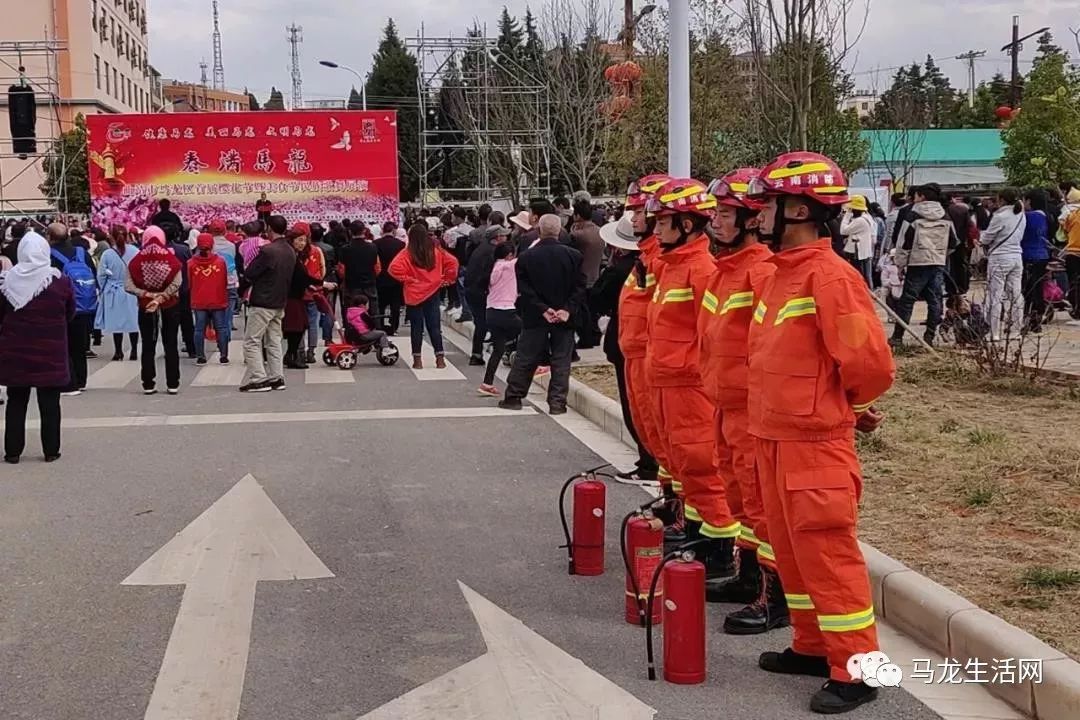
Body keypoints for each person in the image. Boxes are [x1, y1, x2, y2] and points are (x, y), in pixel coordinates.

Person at [744, 151, 895, 714]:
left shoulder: (831, 278)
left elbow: (871, 366)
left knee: (828, 554)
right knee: (793, 554)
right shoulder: (784, 276)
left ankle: (859, 669)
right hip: (775, 438)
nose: (759, 215)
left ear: (801, 209)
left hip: (814, 444)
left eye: (770, 206)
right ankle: (813, 646)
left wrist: (838, 406)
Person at [697, 168, 786, 633]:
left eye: (726, 214)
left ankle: (775, 598)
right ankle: (748, 577)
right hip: (726, 407)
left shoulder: (761, 273)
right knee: (740, 501)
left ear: (753, 220)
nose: (715, 221)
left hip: (753, 412)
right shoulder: (725, 273)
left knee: (762, 506)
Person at [641, 178, 741, 583]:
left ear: (687, 225)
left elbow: (712, 335)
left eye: (664, 221)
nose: (656, 229)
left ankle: (719, 550)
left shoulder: (700, 270)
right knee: (685, 464)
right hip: (668, 384)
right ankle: (700, 533)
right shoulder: (672, 268)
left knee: (702, 465)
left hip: (690, 388)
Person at [593, 210, 659, 483]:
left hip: (633, 349)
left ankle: (648, 463)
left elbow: (597, 298)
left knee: (638, 410)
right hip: (631, 346)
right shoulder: (639, 266)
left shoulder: (630, 268)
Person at [499, 214, 585, 414]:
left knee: (526, 356)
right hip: (564, 316)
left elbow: (524, 288)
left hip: (535, 315)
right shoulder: (574, 256)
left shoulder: (527, 257)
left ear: (539, 230)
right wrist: (566, 309)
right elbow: (580, 287)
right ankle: (557, 403)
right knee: (561, 359)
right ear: (559, 231)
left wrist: (543, 308)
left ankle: (514, 397)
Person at [0, 230, 73, 463]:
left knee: (16, 401)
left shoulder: (7, 281)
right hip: (50, 352)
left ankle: (13, 451)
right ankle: (51, 450)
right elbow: (70, 311)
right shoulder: (58, 281)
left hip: (15, 353)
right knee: (50, 402)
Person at [891, 183, 958, 347]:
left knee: (907, 300)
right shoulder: (945, 216)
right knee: (935, 300)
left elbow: (903, 242)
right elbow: (953, 242)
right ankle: (929, 336)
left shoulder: (913, 215)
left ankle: (898, 337)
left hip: (917, 263)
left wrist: (900, 264)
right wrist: (941, 254)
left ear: (921, 197)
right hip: (937, 263)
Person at [388, 222, 459, 369]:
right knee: (434, 327)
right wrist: (447, 279)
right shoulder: (436, 251)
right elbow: (453, 262)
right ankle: (440, 359)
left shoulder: (407, 253)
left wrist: (409, 279)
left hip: (414, 294)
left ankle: (417, 360)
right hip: (433, 291)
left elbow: (393, 268)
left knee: (416, 328)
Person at [125, 226, 183, 395]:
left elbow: (128, 285)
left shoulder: (136, 261)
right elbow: (177, 283)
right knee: (170, 343)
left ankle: (148, 383)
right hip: (169, 305)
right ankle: (173, 383)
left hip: (145, 306)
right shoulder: (171, 260)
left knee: (148, 345)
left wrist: (148, 294)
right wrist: (161, 297)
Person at [240, 216, 294, 391]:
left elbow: (250, 272)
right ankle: (277, 377)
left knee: (252, 341)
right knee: (274, 341)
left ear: (270, 229)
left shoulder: (268, 251)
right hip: (280, 301)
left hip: (263, 300)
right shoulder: (290, 250)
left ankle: (258, 378)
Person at [47, 222, 97, 396]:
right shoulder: (82, 253)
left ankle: (70, 382)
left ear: (50, 237)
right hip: (84, 304)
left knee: (65, 344)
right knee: (80, 344)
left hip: (62, 306)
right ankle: (82, 380)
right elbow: (93, 274)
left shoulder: (50, 255)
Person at [980, 189, 1026, 341]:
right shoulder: (1020, 214)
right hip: (1017, 256)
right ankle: (1016, 330)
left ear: (1002, 200)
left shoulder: (999, 216)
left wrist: (980, 237)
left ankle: (994, 332)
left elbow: (987, 238)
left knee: (996, 295)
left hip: (999, 257)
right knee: (1016, 294)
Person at [464, 212, 509, 365]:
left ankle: (478, 353)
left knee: (481, 322)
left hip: (472, 289)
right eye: (504, 236)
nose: (506, 238)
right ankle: (477, 354)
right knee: (484, 322)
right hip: (478, 291)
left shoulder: (482, 248)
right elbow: (486, 275)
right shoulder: (491, 252)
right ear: (497, 238)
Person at [477, 241, 520, 396]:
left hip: (492, 311)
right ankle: (539, 361)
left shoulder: (493, 267)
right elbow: (528, 256)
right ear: (509, 255)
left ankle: (487, 383)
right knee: (531, 332)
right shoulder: (508, 266)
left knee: (498, 350)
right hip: (506, 310)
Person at [95, 225, 140, 361]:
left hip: (114, 290)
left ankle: (118, 351)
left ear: (111, 236)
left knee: (116, 323)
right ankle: (133, 351)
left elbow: (101, 274)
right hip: (131, 289)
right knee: (133, 322)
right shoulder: (135, 251)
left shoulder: (108, 254)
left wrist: (103, 288)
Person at [188, 233, 230, 365]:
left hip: (199, 300)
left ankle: (200, 356)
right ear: (212, 245)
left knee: (199, 329)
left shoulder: (190, 263)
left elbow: (189, 283)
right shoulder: (221, 262)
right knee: (221, 328)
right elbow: (225, 281)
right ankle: (223, 356)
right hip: (217, 299)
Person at [1021, 188, 1052, 333]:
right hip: (1043, 255)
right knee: (1038, 287)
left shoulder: (1026, 217)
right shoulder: (1047, 216)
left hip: (1028, 255)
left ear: (1029, 201)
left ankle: (1029, 318)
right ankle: (1037, 318)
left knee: (1027, 289)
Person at [163, 223, 195, 357]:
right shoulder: (184, 249)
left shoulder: (161, 250)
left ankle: (169, 350)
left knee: (167, 323)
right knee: (186, 321)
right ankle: (191, 349)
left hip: (167, 292)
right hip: (183, 290)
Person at [337, 221, 381, 316]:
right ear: (364, 231)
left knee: (353, 313)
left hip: (352, 286)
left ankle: (352, 330)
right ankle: (375, 328)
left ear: (350, 232)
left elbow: (341, 270)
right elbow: (377, 268)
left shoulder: (345, 249)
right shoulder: (372, 247)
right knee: (373, 312)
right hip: (369, 285)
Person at [209, 218, 240, 337]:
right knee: (229, 311)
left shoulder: (209, 246)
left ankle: (216, 334)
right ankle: (225, 336)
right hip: (231, 281)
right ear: (225, 231)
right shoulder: (231, 246)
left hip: (214, 282)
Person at [374, 221, 406, 335]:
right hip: (396, 278)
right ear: (394, 231)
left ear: (383, 230)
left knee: (381, 305)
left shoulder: (375, 244)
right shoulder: (401, 245)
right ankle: (394, 327)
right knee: (395, 305)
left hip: (380, 278)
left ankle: (380, 326)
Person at [839, 195, 875, 287]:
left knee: (859, 276)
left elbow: (843, 230)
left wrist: (847, 216)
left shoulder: (860, 221)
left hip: (858, 253)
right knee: (866, 276)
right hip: (863, 252)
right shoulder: (867, 217)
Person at [946, 194, 973, 306]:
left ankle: (951, 288)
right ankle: (963, 286)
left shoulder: (944, 211)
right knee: (961, 264)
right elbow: (969, 225)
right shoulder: (962, 209)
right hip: (961, 241)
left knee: (949, 266)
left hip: (947, 242)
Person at [1060, 188, 1080, 318]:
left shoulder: (1070, 214)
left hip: (1073, 253)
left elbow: (1063, 229)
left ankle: (1076, 308)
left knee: (1074, 282)